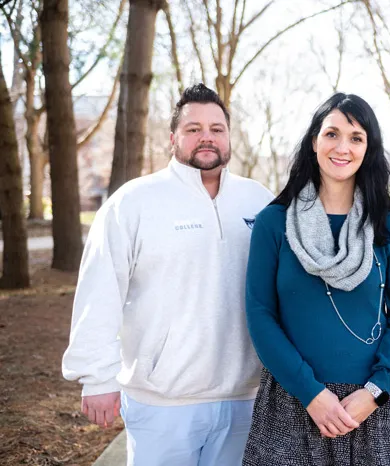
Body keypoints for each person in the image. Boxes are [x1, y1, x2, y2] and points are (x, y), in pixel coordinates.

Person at [62, 83, 274, 466]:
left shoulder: (259, 200)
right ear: (173, 138)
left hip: (246, 396)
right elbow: (101, 290)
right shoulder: (134, 202)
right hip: (163, 402)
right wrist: (97, 377)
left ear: (229, 137)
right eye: (194, 129)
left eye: (217, 128)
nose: (206, 137)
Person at [242, 93, 390, 465]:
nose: (343, 147)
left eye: (356, 137)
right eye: (332, 134)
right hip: (294, 401)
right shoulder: (274, 223)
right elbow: (260, 315)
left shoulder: (386, 226)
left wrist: (375, 392)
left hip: (376, 404)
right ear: (314, 142)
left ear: (369, 149)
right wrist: (310, 393)